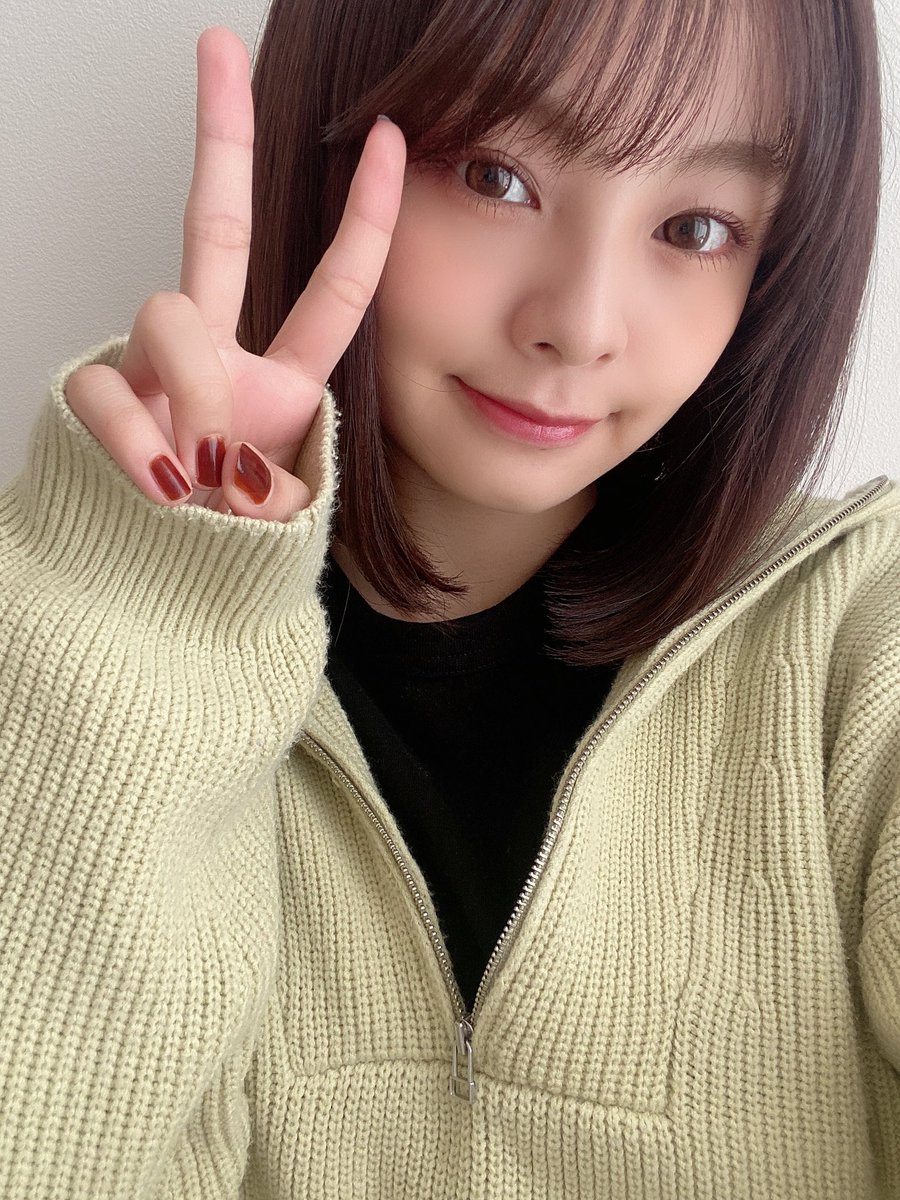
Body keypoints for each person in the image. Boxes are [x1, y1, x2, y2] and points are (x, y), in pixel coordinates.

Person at [0, 0, 897, 1193]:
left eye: (695, 227)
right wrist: (144, 621)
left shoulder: (860, 639)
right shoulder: (63, 636)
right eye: (495, 176)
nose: (580, 325)